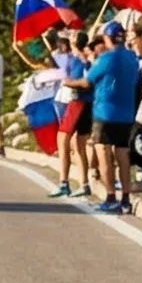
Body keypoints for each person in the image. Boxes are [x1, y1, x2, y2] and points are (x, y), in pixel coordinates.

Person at [85, 20, 142, 212]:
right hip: (126, 112)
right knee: (122, 153)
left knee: (103, 152)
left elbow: (89, 79)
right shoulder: (132, 58)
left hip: (105, 111)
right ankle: (126, 198)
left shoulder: (106, 58)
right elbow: (136, 80)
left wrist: (67, 80)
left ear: (107, 38)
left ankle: (110, 196)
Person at [54, 28, 97, 200]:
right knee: (79, 144)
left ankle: (64, 182)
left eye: (72, 36)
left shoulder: (82, 59)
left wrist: (68, 82)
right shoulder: (79, 58)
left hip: (77, 101)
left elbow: (87, 82)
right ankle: (84, 183)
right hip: (84, 103)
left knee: (63, 140)